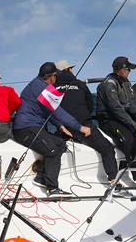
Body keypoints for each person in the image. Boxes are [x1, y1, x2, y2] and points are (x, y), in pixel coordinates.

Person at [13, 62, 92, 196]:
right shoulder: (43, 89)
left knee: (60, 143)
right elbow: (58, 112)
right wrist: (80, 127)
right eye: (56, 77)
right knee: (53, 150)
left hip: (33, 127)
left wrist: (60, 126)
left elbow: (48, 111)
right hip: (25, 130)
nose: (56, 79)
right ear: (51, 77)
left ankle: (41, 178)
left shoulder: (37, 84)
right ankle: (52, 188)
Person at [54, 60, 119, 182]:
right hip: (85, 128)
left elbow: (49, 110)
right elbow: (90, 103)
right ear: (68, 70)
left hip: (64, 129)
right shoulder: (80, 84)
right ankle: (113, 179)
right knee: (107, 149)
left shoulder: (51, 88)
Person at [96, 56, 136, 181]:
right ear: (119, 70)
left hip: (123, 118)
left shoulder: (126, 82)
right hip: (109, 120)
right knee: (129, 140)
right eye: (127, 69)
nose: (129, 72)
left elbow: (133, 103)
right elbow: (116, 109)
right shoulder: (108, 85)